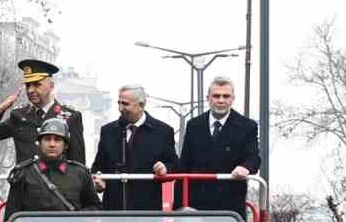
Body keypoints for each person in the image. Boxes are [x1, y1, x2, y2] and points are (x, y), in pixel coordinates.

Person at [0, 58, 87, 167]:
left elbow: (78, 163)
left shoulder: (70, 117)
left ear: (51, 86)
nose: (30, 90)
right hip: (24, 184)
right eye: (28, 85)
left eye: (36, 85)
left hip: (56, 184)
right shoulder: (19, 116)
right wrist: (0, 110)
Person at [174, 77, 261, 214]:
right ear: (208, 98)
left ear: (232, 98)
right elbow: (184, 165)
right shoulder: (194, 125)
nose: (221, 100)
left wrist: (245, 167)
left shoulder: (247, 126)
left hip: (229, 206)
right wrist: (177, 208)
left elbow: (254, 158)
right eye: (216, 96)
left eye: (226, 96)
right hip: (197, 205)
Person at [93, 85, 177, 210]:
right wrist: (99, 182)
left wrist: (165, 169)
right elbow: (98, 167)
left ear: (141, 105)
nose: (120, 108)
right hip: (113, 209)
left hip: (146, 209)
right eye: (119, 103)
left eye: (125, 104)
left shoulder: (163, 132)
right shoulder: (108, 131)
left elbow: (174, 165)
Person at [3, 118, 100, 222]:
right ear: (39, 143)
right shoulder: (24, 173)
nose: (52, 144)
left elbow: (95, 207)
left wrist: (78, 218)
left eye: (57, 140)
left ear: (65, 145)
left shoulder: (80, 173)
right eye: (47, 139)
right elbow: (11, 215)